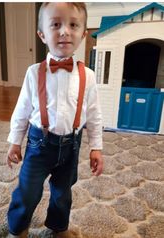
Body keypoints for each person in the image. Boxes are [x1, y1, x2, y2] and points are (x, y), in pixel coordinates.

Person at [6, 2, 103, 238]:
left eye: (73, 25)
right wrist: (15, 142)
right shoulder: (33, 73)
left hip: (71, 146)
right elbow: (21, 111)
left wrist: (96, 147)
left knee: (62, 193)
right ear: (42, 34)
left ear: (83, 33)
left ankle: (59, 227)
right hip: (39, 145)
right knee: (28, 191)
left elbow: (93, 114)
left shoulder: (88, 76)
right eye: (56, 24)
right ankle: (18, 228)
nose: (65, 31)